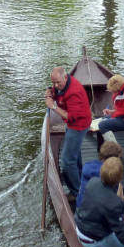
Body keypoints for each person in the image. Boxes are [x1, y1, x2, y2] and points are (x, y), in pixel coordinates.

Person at [46, 66, 92, 197]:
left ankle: (77, 192)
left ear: (65, 77)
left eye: (58, 82)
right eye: (53, 82)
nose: (55, 85)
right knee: (74, 153)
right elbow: (52, 90)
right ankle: (79, 177)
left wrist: (53, 106)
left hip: (78, 125)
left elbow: (70, 116)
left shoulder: (74, 92)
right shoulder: (61, 84)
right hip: (71, 124)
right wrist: (48, 92)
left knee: (66, 162)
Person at [75, 140, 123, 210]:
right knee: (120, 188)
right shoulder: (109, 173)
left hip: (80, 208)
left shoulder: (87, 165)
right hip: (95, 212)